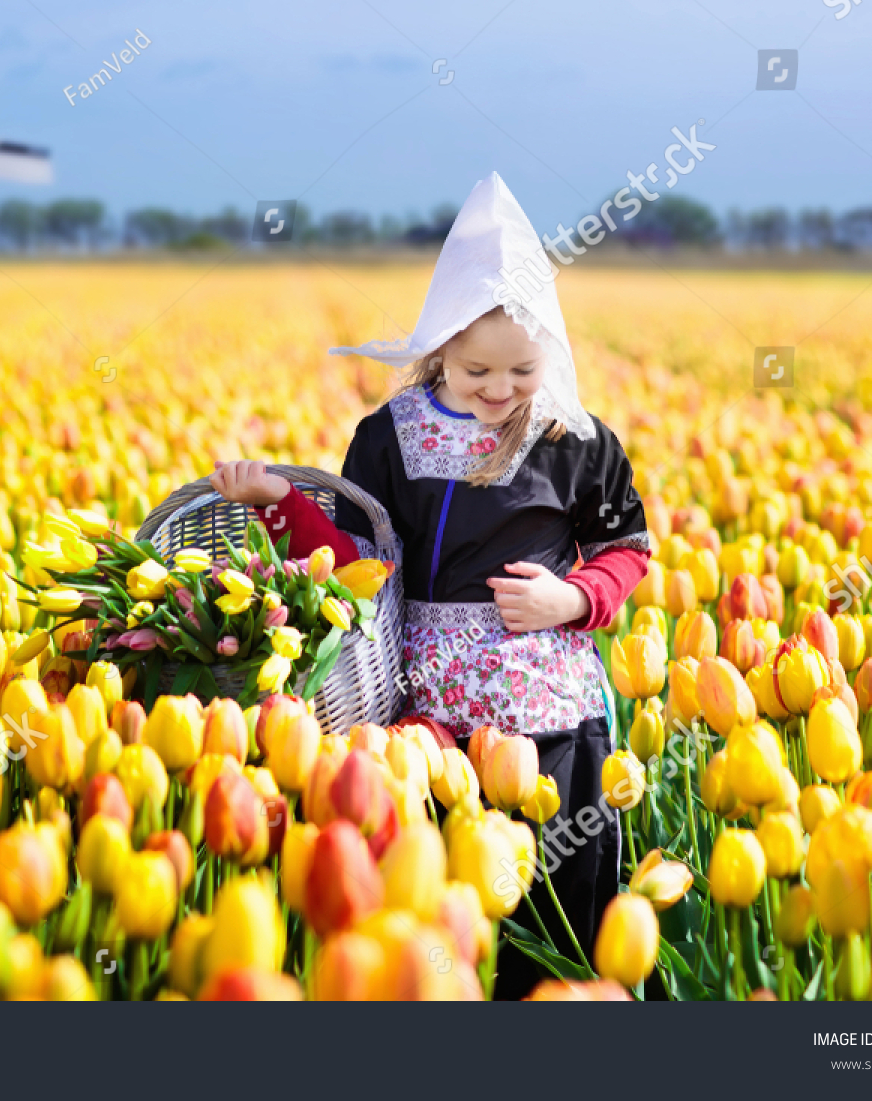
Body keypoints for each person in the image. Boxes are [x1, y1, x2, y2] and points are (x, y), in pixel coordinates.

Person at [210, 172, 650, 998]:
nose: (498, 390)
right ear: (439, 347)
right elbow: (352, 561)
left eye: (521, 369)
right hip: (428, 720)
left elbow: (627, 548)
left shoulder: (577, 441)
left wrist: (574, 598)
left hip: (553, 721)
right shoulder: (388, 437)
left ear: (549, 352)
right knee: (442, 919)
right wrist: (281, 505)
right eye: (476, 368)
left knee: (556, 921)